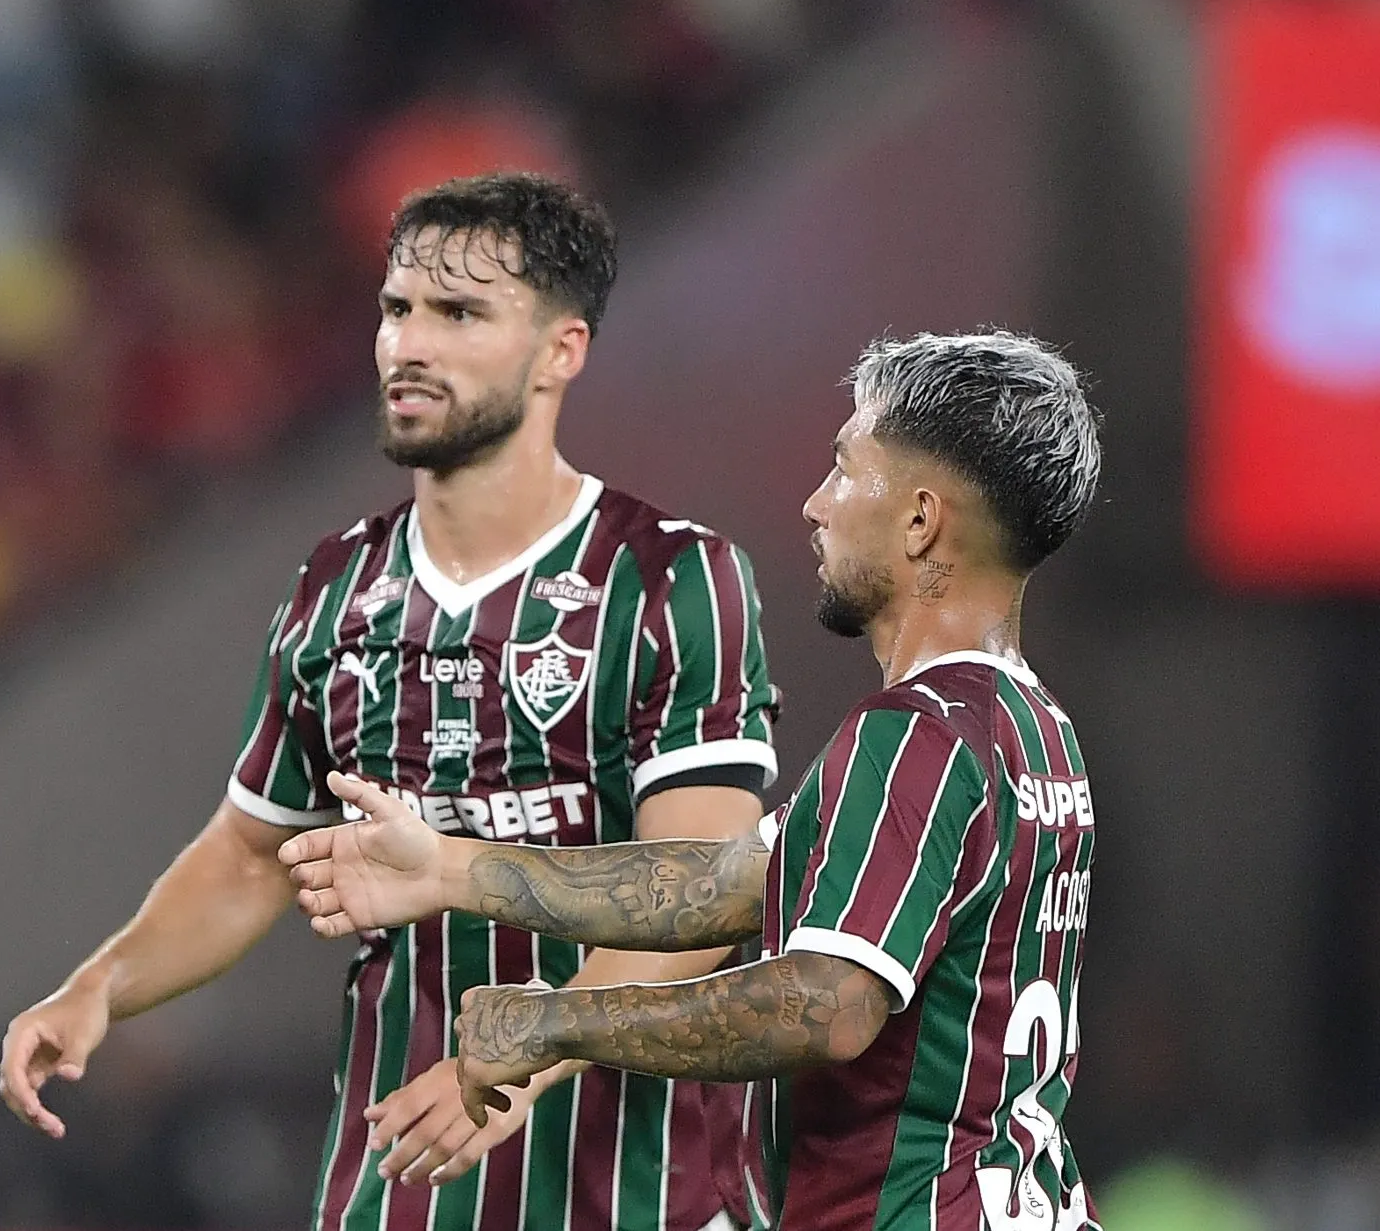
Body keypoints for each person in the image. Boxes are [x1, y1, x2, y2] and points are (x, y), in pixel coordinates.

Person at [0, 172, 778, 1231]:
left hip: (641, 1191)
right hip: (402, 1186)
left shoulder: (670, 580)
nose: (409, 343)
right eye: (397, 307)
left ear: (562, 350)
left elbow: (703, 891)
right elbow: (249, 855)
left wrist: (522, 1051)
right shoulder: (338, 589)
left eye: (459, 313)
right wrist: (102, 983)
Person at [282, 330, 1102, 1231]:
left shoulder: (914, 737)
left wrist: (557, 1024)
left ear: (919, 520)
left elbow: (821, 1006)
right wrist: (447, 868)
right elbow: (718, 885)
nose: (815, 503)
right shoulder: (1031, 731)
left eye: (844, 468)